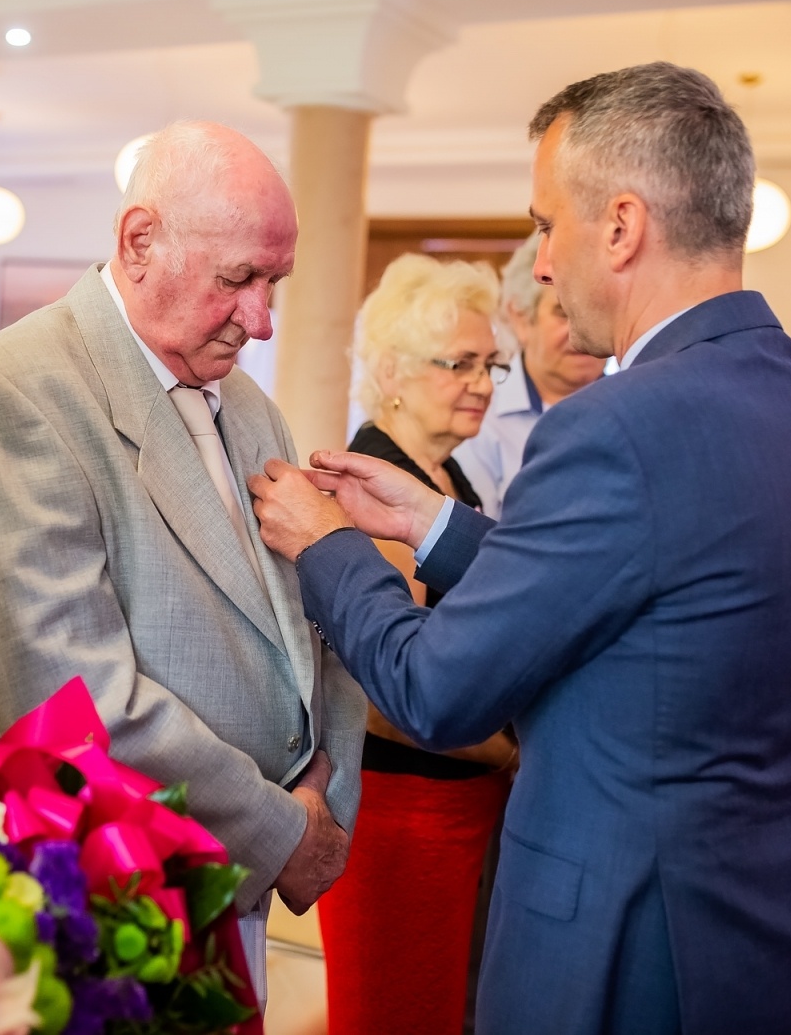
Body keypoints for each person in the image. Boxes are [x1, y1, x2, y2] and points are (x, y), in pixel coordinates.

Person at [249, 63, 791, 1034]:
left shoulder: (618, 423)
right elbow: (644, 586)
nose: (538, 263)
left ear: (620, 226)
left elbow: (437, 690)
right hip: (772, 923)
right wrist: (431, 523)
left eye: (546, 225)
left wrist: (327, 543)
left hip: (625, 944)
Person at [0, 120, 367, 1003]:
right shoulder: (16, 388)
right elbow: (68, 699)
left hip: (241, 887)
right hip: (109, 893)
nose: (263, 321)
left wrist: (329, 796)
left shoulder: (245, 403)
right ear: (139, 242)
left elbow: (309, 624)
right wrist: (282, 830)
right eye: (238, 279)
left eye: (274, 282)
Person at [321, 253, 517, 1035]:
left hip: (462, 797)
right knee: (395, 1011)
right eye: (460, 362)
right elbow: (379, 695)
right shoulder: (374, 479)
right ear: (393, 370)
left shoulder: (450, 477)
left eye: (490, 363)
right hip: (403, 810)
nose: (483, 381)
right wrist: (508, 754)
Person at [452, 231, 607, 516]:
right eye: (563, 312)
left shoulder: (633, 406)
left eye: (595, 311)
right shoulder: (477, 411)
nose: (581, 331)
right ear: (521, 318)